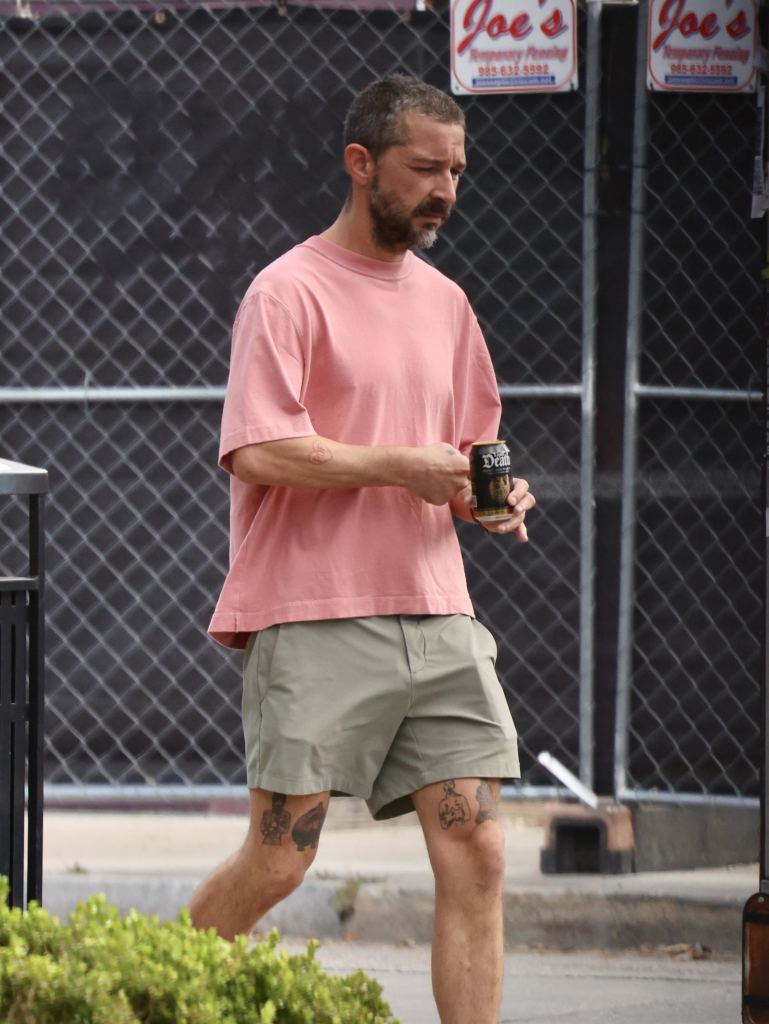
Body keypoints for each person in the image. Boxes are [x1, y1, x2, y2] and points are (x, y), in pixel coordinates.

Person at [189, 74, 536, 1024]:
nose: (446, 190)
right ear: (360, 164)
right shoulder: (287, 290)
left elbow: (467, 455)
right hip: (312, 609)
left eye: (457, 171)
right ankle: (142, 999)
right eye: (425, 167)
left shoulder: (447, 303)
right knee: (279, 858)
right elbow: (257, 448)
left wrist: (489, 499)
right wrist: (401, 467)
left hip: (438, 611)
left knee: (480, 850)